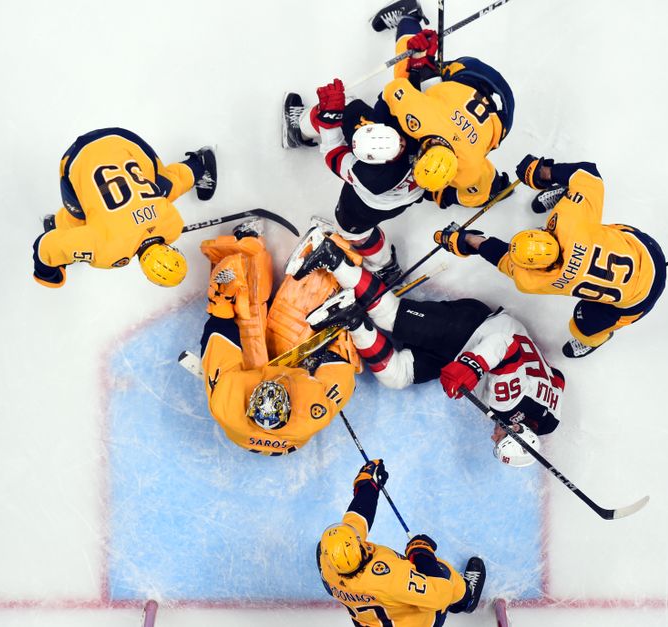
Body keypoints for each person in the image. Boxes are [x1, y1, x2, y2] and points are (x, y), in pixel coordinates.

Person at [290, 227, 564, 467]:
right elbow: (506, 345)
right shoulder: (505, 402)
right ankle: (330, 255)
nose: (493, 436)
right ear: (515, 427)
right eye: (500, 438)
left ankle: (351, 317)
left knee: (397, 377)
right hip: (473, 327)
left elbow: (557, 380)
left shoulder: (548, 420)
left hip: (461, 350)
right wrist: (472, 367)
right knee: (390, 316)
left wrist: (471, 368)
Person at [434, 155, 668, 358]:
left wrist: (467, 241)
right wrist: (543, 172)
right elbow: (589, 174)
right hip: (645, 250)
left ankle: (594, 339)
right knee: (586, 208)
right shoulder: (570, 222)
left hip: (639, 298)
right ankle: (571, 196)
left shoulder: (534, 280)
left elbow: (503, 257)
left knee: (583, 327)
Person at [198, 222, 358, 455]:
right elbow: (342, 370)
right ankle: (332, 259)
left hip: (248, 395)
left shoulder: (227, 403)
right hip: (293, 393)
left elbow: (216, 342)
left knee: (247, 316)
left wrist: (222, 305)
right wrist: (339, 332)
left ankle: (244, 250)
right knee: (295, 325)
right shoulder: (311, 413)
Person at [32, 127, 217, 288]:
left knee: (165, 188)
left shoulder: (172, 225)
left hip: (125, 142)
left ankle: (198, 165)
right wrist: (48, 275)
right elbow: (45, 247)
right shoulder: (109, 251)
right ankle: (58, 226)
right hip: (76, 159)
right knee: (79, 217)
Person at [371, 0, 514, 209]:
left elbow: (483, 188)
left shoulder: (469, 170)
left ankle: (410, 19)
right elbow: (395, 90)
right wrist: (421, 62)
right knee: (407, 70)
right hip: (476, 82)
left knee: (414, 77)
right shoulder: (422, 120)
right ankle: (409, 17)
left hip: (503, 107)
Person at [282, 81, 424, 285]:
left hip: (371, 205)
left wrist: (330, 120)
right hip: (414, 185)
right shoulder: (411, 133)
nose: (402, 142)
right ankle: (299, 130)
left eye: (399, 144)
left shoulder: (371, 177)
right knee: (344, 104)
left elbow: (333, 153)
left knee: (353, 232)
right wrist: (419, 62)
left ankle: (384, 266)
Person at [318, 459, 486, 625]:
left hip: (373, 619)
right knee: (444, 572)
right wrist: (421, 554)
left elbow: (355, 523)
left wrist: (368, 488)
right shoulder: (391, 578)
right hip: (418, 622)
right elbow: (440, 595)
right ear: (359, 548)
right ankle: (466, 600)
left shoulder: (328, 563)